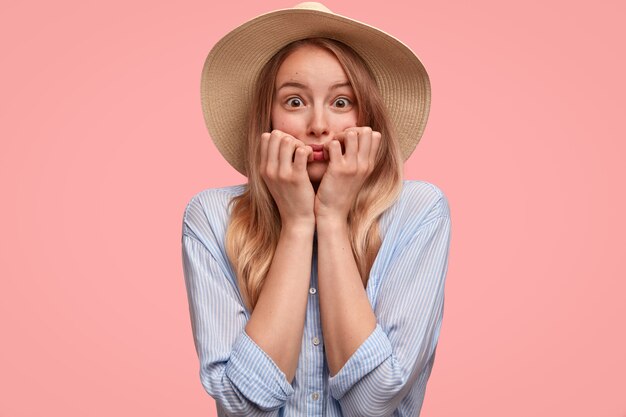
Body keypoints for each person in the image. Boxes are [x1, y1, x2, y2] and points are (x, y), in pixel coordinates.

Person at [181, 2, 452, 416]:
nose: (319, 126)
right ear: (265, 122)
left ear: (368, 118)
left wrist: (331, 217)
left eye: (342, 102)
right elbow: (243, 408)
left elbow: (374, 402)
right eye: (294, 102)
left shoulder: (418, 211)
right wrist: (296, 224)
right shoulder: (213, 216)